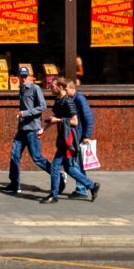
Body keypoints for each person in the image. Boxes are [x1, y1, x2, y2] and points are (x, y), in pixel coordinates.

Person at [48, 70, 100, 204]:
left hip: (71, 138)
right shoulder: (61, 101)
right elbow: (57, 117)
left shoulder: (75, 100)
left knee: (57, 166)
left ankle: (55, 195)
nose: (50, 88)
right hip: (66, 136)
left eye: (53, 86)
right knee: (70, 167)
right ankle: (91, 186)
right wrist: (44, 128)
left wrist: (87, 135)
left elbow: (86, 118)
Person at [3, 62, 54, 196]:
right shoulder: (22, 89)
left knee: (36, 157)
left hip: (32, 128)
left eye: (26, 76)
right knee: (14, 155)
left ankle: (57, 174)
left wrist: (26, 113)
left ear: (29, 76)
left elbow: (43, 106)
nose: (24, 78)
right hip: (22, 128)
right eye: (22, 76)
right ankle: (14, 184)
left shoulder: (35, 88)